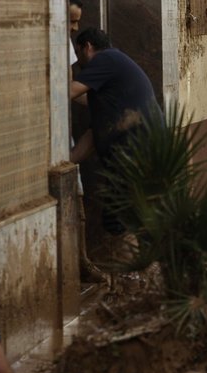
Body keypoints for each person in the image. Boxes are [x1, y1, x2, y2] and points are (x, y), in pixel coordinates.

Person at [69, 28, 161, 237]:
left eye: (78, 53)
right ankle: (139, 263)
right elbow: (93, 137)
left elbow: (70, 91)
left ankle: (136, 265)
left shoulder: (104, 60)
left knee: (118, 217)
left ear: (87, 47)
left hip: (135, 150)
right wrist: (68, 161)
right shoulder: (111, 92)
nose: (78, 61)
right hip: (142, 148)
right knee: (121, 214)